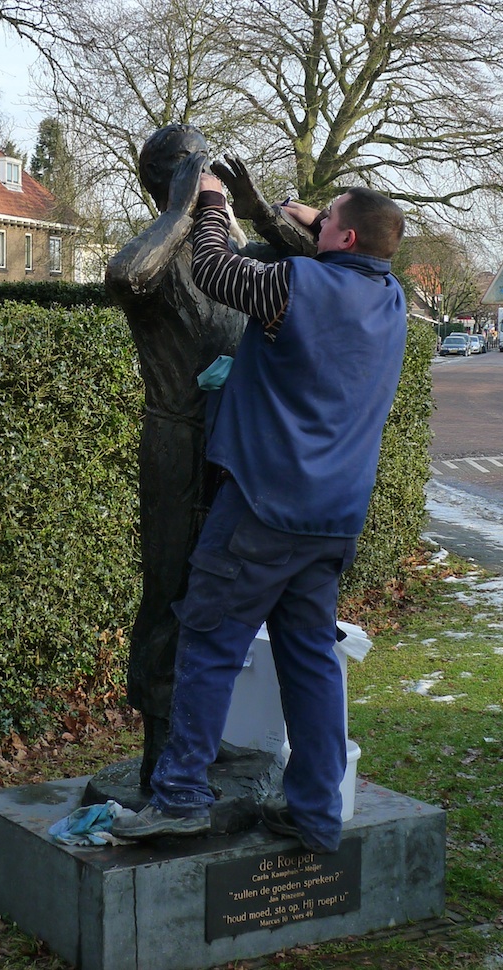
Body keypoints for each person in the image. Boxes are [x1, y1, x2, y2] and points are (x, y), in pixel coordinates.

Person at [112, 157, 408, 853]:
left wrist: (213, 203)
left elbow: (215, 270)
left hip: (262, 506)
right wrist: (286, 215)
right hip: (333, 520)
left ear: (342, 239)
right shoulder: (391, 299)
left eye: (326, 217)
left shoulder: (297, 285)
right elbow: (336, 252)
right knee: (310, 661)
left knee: (209, 642)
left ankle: (180, 796)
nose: (315, 221)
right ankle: (316, 811)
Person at [105, 126, 313, 788]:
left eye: (206, 162)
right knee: (169, 592)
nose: (205, 173)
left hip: (235, 444)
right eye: (190, 164)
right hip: (177, 444)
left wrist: (257, 210)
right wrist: (179, 209)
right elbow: (125, 276)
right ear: (165, 179)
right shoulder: (155, 252)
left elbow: (321, 265)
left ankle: (196, 734)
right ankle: (159, 745)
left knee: (216, 595)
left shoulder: (227, 251)